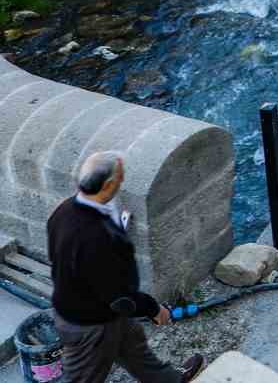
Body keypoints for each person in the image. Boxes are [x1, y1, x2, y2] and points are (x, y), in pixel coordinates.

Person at [48, 153, 206, 383]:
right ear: (109, 185)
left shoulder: (63, 211)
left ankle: (171, 381)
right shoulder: (98, 236)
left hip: (101, 312)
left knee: (133, 347)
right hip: (90, 324)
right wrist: (154, 309)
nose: (121, 184)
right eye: (120, 180)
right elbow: (119, 296)